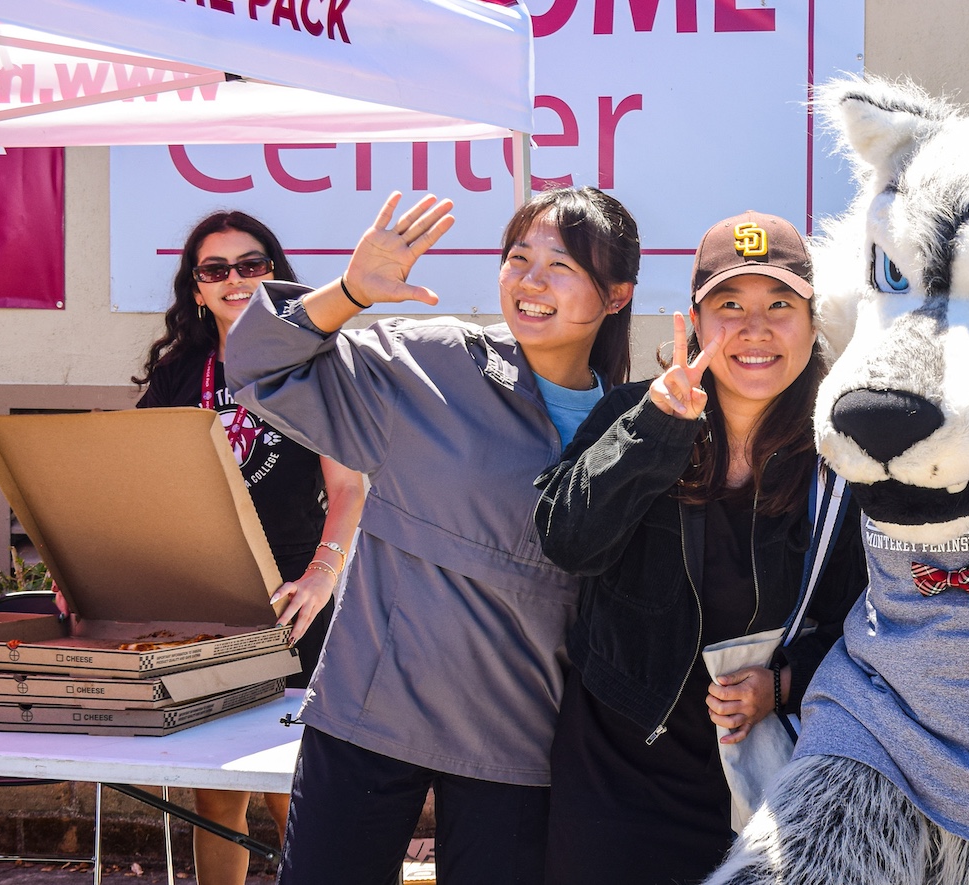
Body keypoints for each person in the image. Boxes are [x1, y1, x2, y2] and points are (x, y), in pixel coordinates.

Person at [222, 187, 638, 885]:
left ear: (617, 294)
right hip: (367, 718)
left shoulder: (626, 430)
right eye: (517, 258)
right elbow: (260, 369)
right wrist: (350, 291)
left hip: (515, 738)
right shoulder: (434, 361)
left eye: (561, 265)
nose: (530, 282)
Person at [533, 211, 866, 885]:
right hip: (615, 775)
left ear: (810, 322)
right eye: (730, 306)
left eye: (780, 305)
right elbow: (566, 540)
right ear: (694, 320)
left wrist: (782, 683)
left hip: (761, 786)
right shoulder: (635, 411)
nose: (755, 330)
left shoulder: (837, 461)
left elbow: (863, 622)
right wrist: (657, 429)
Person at [130, 211, 367, 885]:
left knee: (295, 784)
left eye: (251, 263)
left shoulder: (311, 361)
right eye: (215, 269)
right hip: (208, 600)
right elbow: (139, 483)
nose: (235, 279)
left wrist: (323, 576)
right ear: (196, 288)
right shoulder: (178, 374)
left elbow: (348, 486)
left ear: (275, 272)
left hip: (295, 598)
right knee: (218, 788)